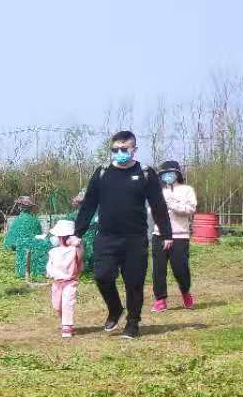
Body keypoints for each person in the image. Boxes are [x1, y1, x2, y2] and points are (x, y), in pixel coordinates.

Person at [73, 130, 173, 340]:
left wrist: (166, 234)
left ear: (133, 150)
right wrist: (77, 233)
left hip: (135, 238)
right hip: (107, 237)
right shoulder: (102, 173)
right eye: (115, 149)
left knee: (134, 282)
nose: (119, 152)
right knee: (102, 276)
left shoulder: (145, 173)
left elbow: (158, 205)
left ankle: (133, 324)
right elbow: (89, 205)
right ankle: (115, 308)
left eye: (124, 149)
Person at [151, 160, 197, 311]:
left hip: (180, 236)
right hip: (159, 234)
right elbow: (152, 212)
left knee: (180, 268)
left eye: (170, 173)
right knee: (158, 269)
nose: (167, 176)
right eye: (164, 174)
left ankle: (185, 293)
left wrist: (173, 205)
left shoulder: (187, 190)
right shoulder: (159, 192)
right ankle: (160, 300)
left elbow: (191, 209)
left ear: (177, 174)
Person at [46, 218, 83, 339]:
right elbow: (49, 266)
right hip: (56, 283)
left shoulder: (74, 251)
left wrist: (77, 243)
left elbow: (80, 258)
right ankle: (64, 321)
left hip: (69, 282)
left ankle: (67, 326)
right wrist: (50, 273)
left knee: (67, 303)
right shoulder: (53, 251)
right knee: (57, 305)